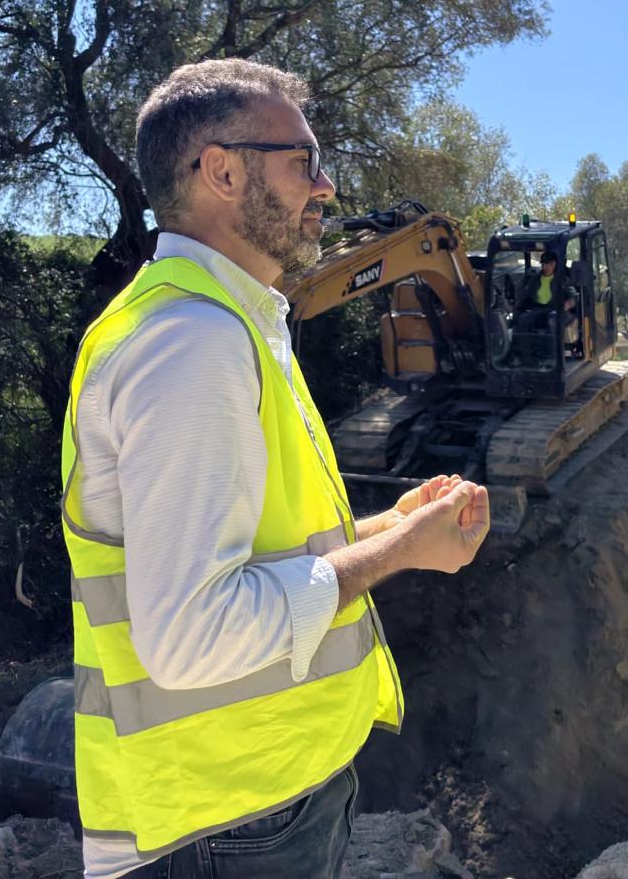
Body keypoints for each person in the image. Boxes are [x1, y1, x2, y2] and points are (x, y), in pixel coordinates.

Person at [61, 59, 491, 879]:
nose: (325, 187)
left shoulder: (228, 326)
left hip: (246, 803)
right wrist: (398, 555)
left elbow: (257, 553)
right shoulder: (194, 345)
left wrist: (387, 526)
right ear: (221, 170)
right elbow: (193, 635)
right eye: (304, 162)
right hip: (228, 821)